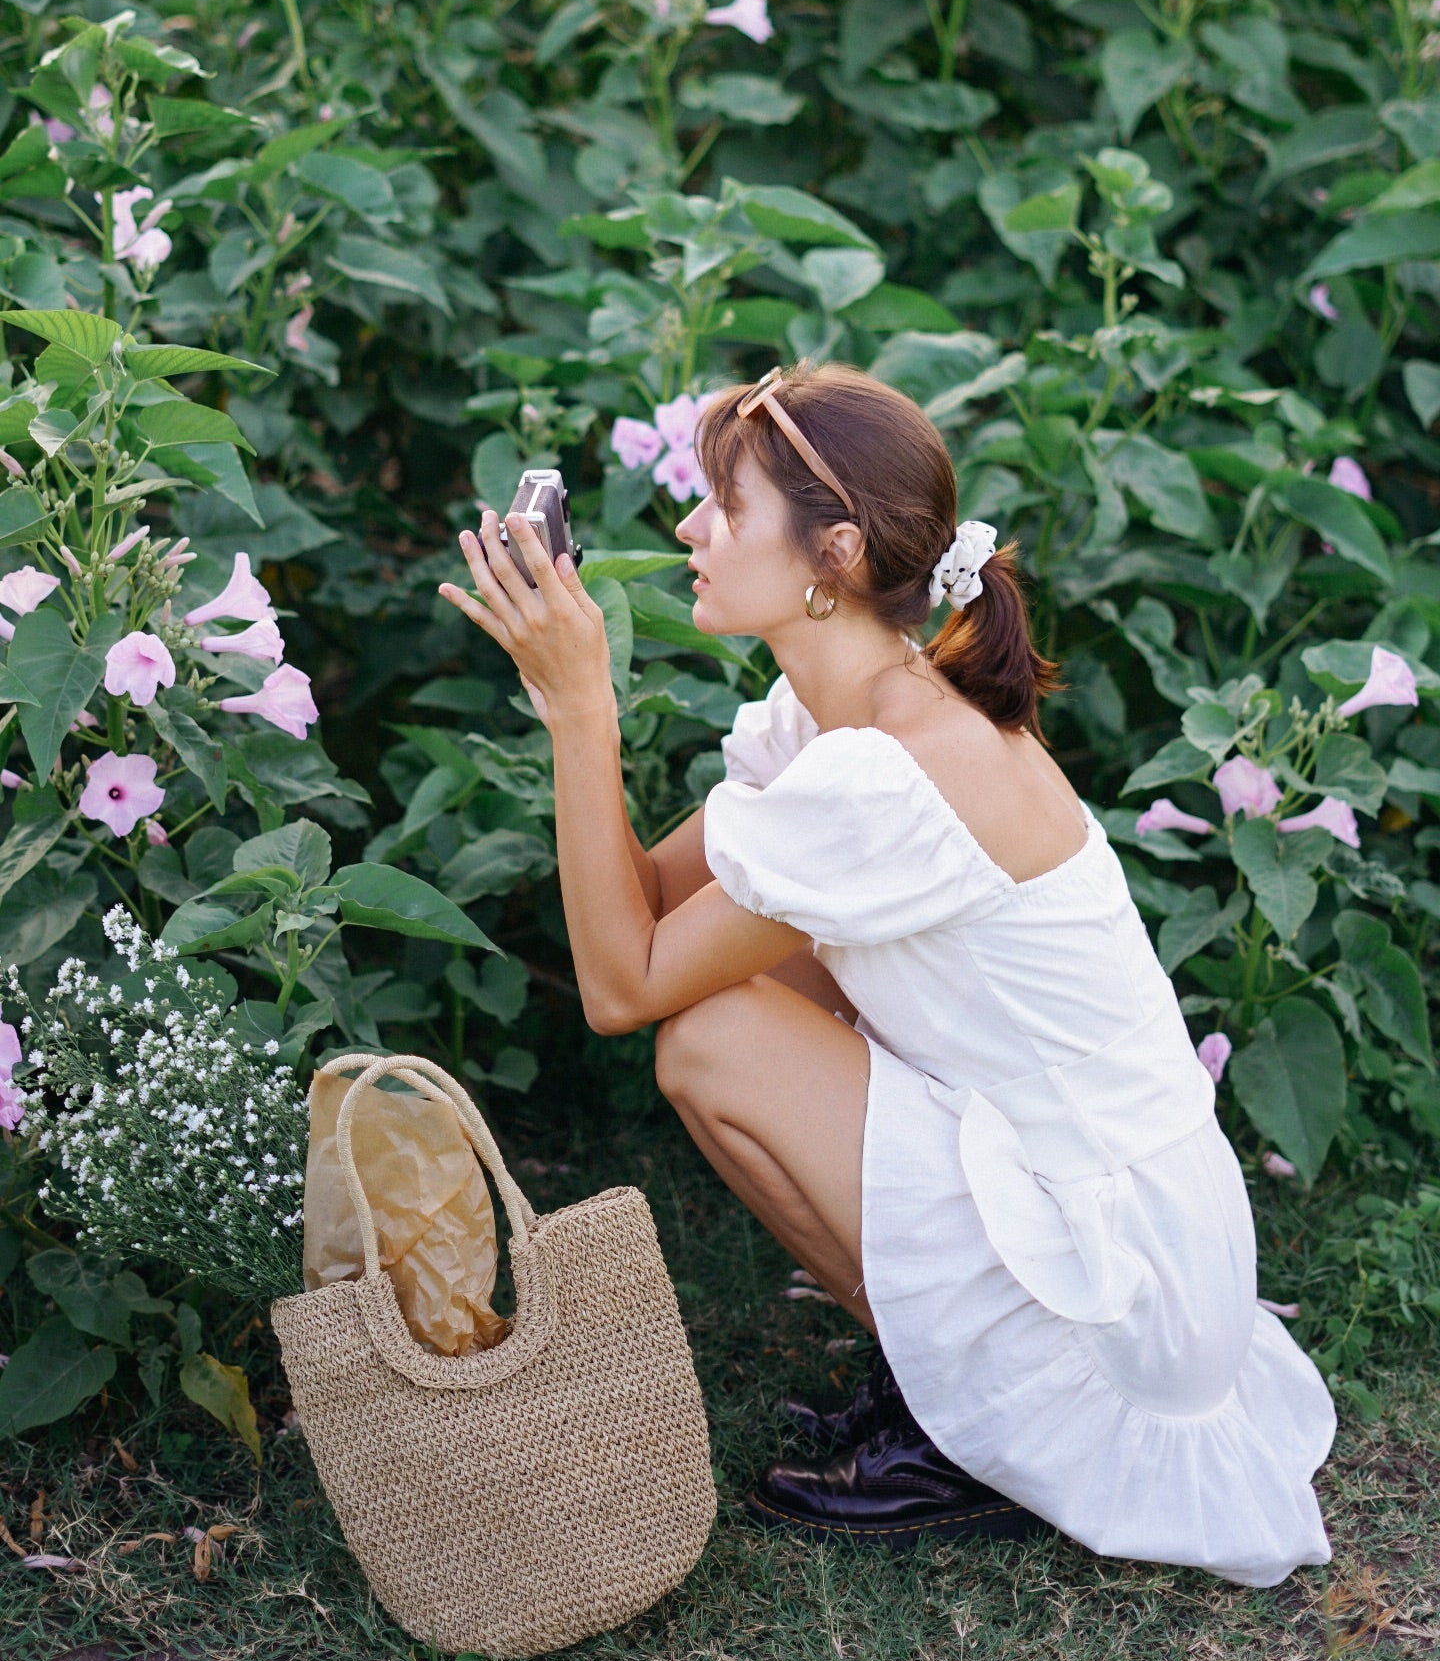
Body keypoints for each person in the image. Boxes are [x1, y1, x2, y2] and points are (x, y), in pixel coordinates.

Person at [438, 362, 1336, 1585]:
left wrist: (581, 710)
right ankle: (947, 1380)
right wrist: (570, 699)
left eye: (726, 508)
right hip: (1134, 1231)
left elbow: (619, 986)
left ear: (838, 553)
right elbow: (645, 905)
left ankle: (976, 1428)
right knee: (749, 988)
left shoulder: (893, 769)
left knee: (710, 1039)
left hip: (1128, 1289)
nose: (690, 528)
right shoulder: (852, 714)